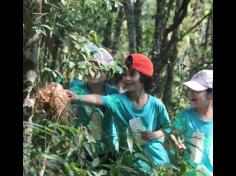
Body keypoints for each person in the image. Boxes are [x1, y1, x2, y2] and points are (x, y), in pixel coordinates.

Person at [67, 53, 171, 172]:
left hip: (158, 161)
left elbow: (167, 127)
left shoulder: (156, 104)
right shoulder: (117, 100)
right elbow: (99, 98)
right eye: (124, 74)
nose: (127, 78)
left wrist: (155, 134)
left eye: (132, 74)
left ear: (144, 77)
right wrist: (77, 97)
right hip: (131, 165)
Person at [68, 44, 119, 153]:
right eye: (90, 65)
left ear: (108, 72)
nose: (94, 70)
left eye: (99, 66)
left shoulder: (114, 92)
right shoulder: (76, 89)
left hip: (109, 149)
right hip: (82, 149)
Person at [171, 70, 213, 176]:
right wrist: (176, 141)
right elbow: (172, 134)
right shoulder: (185, 116)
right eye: (190, 89)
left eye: (196, 90)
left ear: (211, 94)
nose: (190, 94)